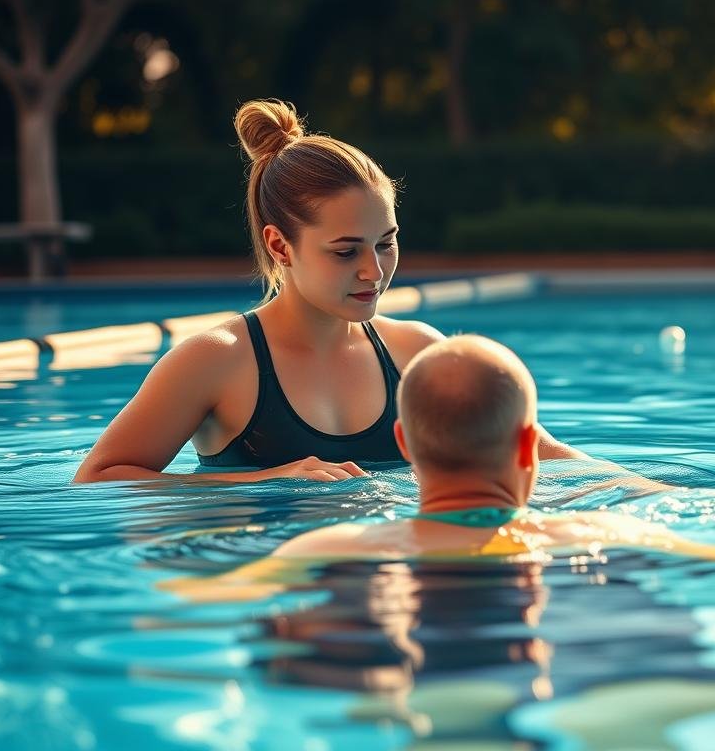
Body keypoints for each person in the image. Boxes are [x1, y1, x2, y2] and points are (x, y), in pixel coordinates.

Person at [74, 100, 584, 484]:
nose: (374, 271)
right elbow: (95, 480)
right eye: (345, 252)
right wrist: (267, 482)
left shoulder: (417, 354)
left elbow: (544, 457)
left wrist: (646, 494)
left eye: (387, 244)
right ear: (280, 245)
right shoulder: (217, 361)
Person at [163, 335, 715, 602]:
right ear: (530, 448)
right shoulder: (589, 531)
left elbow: (201, 596)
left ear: (405, 446)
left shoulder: (333, 547)